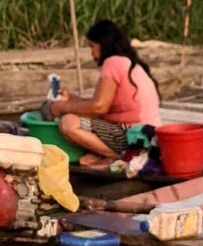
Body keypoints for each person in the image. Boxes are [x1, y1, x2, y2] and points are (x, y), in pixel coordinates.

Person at [48, 19, 161, 167]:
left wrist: (61, 107)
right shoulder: (127, 62)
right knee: (78, 118)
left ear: (103, 45)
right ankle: (108, 153)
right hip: (147, 133)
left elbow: (99, 107)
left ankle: (117, 156)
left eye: (92, 47)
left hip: (134, 133)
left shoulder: (112, 63)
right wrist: (70, 99)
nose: (92, 53)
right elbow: (100, 103)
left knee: (68, 122)